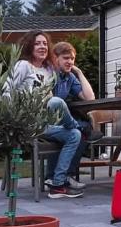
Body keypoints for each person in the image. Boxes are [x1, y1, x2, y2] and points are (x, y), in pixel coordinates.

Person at [3, 31, 83, 199]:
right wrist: (12, 119)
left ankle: (57, 184)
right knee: (57, 103)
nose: (42, 47)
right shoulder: (23, 65)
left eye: (45, 44)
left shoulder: (48, 70)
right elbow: (7, 92)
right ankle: (74, 124)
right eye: (38, 43)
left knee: (74, 135)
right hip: (26, 122)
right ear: (30, 46)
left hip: (44, 123)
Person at [43, 41, 102, 190]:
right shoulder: (48, 73)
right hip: (44, 121)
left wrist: (79, 72)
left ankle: (60, 177)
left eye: (72, 58)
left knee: (78, 133)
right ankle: (59, 176)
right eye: (66, 58)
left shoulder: (69, 77)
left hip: (59, 123)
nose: (70, 61)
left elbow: (89, 98)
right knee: (81, 130)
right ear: (55, 58)